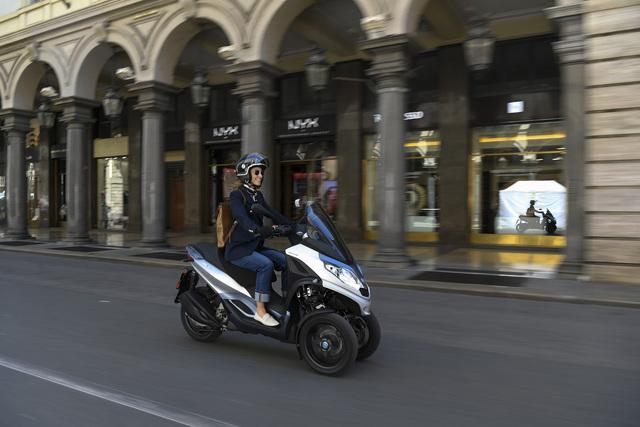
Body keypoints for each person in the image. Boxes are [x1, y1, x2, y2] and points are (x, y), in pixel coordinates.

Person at [225, 153, 292, 327]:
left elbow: (271, 213)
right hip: (239, 250)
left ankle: (287, 301)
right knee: (265, 265)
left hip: (254, 247)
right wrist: (257, 229)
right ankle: (260, 311)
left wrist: (294, 225)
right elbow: (241, 217)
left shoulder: (257, 195)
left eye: (261, 172)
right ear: (245, 173)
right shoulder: (237, 195)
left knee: (287, 261)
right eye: (256, 172)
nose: (260, 175)